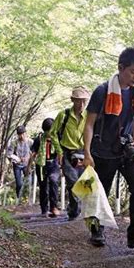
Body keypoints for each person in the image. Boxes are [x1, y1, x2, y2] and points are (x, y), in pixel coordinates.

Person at [83, 47, 134, 251]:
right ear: (121, 68)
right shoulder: (102, 91)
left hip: (127, 149)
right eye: (133, 71)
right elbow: (89, 124)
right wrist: (87, 153)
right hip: (103, 150)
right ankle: (97, 231)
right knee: (100, 193)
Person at [50, 86, 90, 220]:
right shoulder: (64, 115)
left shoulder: (89, 116)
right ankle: (75, 211)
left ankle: (74, 210)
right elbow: (53, 133)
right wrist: (59, 151)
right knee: (73, 182)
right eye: (78, 101)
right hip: (67, 153)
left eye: (84, 101)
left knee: (83, 184)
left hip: (84, 153)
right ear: (72, 100)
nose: (81, 104)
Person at [30, 118, 61, 217]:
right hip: (41, 165)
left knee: (54, 181)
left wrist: (63, 166)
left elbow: (61, 152)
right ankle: (44, 209)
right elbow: (33, 153)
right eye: (47, 131)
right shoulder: (38, 139)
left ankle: (54, 207)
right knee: (43, 187)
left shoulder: (57, 138)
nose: (49, 133)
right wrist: (28, 166)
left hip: (54, 164)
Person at [7, 125, 32, 203]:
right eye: (20, 134)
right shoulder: (14, 142)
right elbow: (9, 154)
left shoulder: (30, 142)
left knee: (29, 182)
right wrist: (17, 158)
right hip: (17, 165)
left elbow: (34, 152)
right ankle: (19, 198)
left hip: (27, 165)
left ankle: (28, 200)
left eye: (23, 133)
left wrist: (30, 159)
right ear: (18, 134)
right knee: (19, 183)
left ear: (25, 133)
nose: (22, 136)